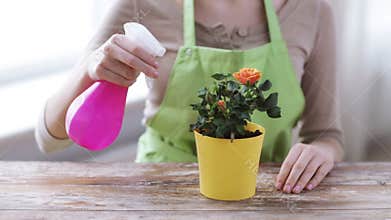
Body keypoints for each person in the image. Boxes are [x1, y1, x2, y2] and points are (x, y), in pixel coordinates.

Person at [35, 0, 344, 194]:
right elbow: (49, 138)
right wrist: (89, 69)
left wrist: (322, 153)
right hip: (159, 195)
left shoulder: (313, 10)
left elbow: (326, 135)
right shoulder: (141, 5)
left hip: (265, 198)